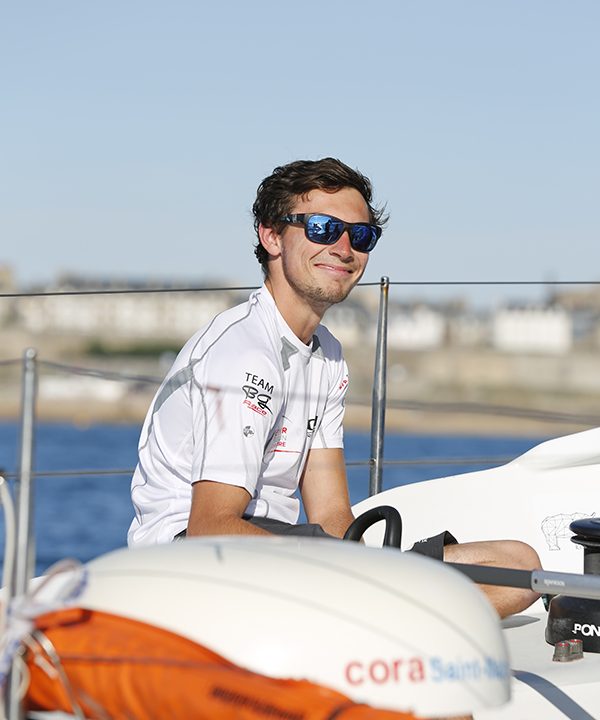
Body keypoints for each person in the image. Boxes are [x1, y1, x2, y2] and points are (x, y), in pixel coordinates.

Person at [128, 157, 540, 619]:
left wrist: (364, 566)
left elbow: (331, 516)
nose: (344, 248)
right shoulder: (244, 353)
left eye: (360, 236)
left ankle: (383, 616)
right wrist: (348, 572)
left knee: (517, 566)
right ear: (271, 236)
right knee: (466, 582)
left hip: (283, 555)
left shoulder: (327, 356)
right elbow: (211, 528)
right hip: (191, 565)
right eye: (322, 229)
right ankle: (389, 617)